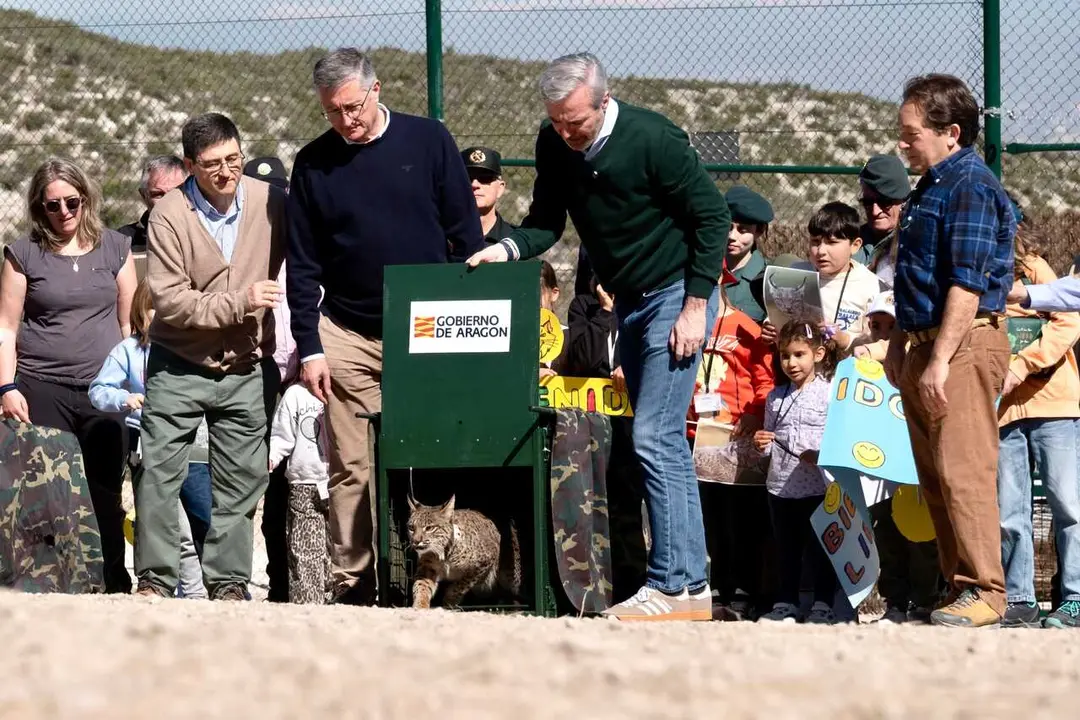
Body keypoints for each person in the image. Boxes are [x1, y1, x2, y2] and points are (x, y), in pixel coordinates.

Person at [466, 52, 731, 620]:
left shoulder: (654, 138)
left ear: (603, 102)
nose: (567, 133)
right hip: (628, 302)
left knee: (655, 436)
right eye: (557, 121)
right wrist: (505, 249)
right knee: (665, 446)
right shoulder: (553, 142)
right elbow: (545, 221)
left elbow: (711, 217)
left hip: (675, 294)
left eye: (576, 123)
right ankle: (692, 589)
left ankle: (668, 584)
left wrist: (694, 306)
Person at [287, 48, 484, 605]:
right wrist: (310, 347)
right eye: (332, 112)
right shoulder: (313, 164)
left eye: (352, 106)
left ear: (376, 90)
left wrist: (467, 320)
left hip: (428, 328)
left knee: (438, 451)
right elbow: (302, 266)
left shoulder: (428, 141)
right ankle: (354, 584)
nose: (345, 120)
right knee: (351, 466)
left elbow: (464, 237)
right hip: (345, 333)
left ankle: (447, 580)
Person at [136, 112, 286, 600]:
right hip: (178, 363)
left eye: (233, 159)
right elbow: (171, 300)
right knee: (160, 472)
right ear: (188, 166)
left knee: (240, 483)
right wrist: (239, 301)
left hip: (245, 365)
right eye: (212, 164)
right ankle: (155, 581)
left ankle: (228, 585)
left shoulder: (271, 203)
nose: (226, 172)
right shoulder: (169, 215)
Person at [885, 74, 1015, 628]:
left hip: (961, 344)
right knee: (935, 477)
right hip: (924, 344)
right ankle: (957, 585)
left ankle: (987, 590)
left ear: (951, 133)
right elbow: (911, 276)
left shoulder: (971, 187)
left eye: (911, 134)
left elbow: (966, 282)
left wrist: (938, 358)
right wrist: (900, 345)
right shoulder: (929, 186)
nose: (902, 144)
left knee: (963, 470)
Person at [0, 157, 138, 593]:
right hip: (42, 387)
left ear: (86, 199)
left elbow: (130, 324)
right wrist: (6, 386)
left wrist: (135, 386)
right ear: (39, 208)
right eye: (52, 205)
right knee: (45, 495)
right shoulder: (23, 254)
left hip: (105, 391)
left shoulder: (116, 247)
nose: (63, 213)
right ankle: (47, 584)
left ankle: (112, 580)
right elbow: (5, 326)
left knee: (104, 490)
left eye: (71, 202)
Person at [88, 279, 207, 600]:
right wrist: (125, 398)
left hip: (193, 446)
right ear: (141, 310)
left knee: (198, 520)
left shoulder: (191, 348)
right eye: (155, 307)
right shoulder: (129, 350)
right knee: (161, 521)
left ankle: (200, 593)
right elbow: (98, 390)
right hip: (147, 444)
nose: (162, 314)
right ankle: (158, 586)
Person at [996, 219, 1080, 629]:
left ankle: (1074, 598)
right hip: (1002, 411)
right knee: (1011, 511)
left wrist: (1022, 364)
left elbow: (1068, 321)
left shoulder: (1034, 268)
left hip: (1054, 406)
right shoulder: (970, 277)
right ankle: (1020, 598)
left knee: (1068, 506)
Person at [689, 281, 775, 620]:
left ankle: (743, 588)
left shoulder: (745, 325)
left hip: (735, 435)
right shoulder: (690, 324)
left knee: (739, 517)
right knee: (708, 517)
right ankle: (717, 586)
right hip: (696, 435)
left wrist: (755, 412)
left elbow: (764, 377)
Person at [752, 321, 838, 624]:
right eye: (785, 356)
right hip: (780, 486)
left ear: (818, 353)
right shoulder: (775, 397)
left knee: (820, 547)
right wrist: (761, 442)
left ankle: (823, 603)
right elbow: (768, 441)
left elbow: (839, 439)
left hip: (817, 486)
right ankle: (786, 601)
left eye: (799, 354)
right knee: (785, 548)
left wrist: (823, 456)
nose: (791, 363)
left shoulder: (830, 394)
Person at [243, 154, 295, 603]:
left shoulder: (304, 258)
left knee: (290, 492)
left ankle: (289, 583)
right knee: (245, 484)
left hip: (297, 388)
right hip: (248, 379)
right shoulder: (237, 258)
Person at [784, 202, 883, 350]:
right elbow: (778, 315)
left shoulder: (872, 287)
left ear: (855, 245)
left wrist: (844, 340)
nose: (821, 250)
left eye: (832, 242)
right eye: (815, 242)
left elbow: (878, 343)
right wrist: (771, 328)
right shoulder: (796, 274)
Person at [269, 382, 332, 605]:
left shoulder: (342, 387)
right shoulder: (295, 394)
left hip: (338, 482)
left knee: (335, 549)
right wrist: (273, 456)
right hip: (303, 482)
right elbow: (282, 434)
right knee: (304, 551)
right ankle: (307, 604)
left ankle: (334, 601)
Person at [117, 155, 188, 280]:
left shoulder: (206, 233)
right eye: (158, 194)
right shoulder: (122, 242)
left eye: (176, 192)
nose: (168, 201)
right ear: (144, 195)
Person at [854, 154, 910, 284]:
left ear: (903, 201)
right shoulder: (851, 240)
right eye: (868, 202)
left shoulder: (911, 245)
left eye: (885, 202)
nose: (875, 211)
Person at [723, 185, 773, 324]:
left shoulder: (767, 279)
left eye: (742, 230)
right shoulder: (705, 270)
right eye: (728, 227)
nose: (732, 236)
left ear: (760, 231)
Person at [461, 146, 516, 243]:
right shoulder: (439, 240)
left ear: (500, 188)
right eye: (466, 179)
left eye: (485, 178)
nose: (474, 184)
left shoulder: (515, 242)